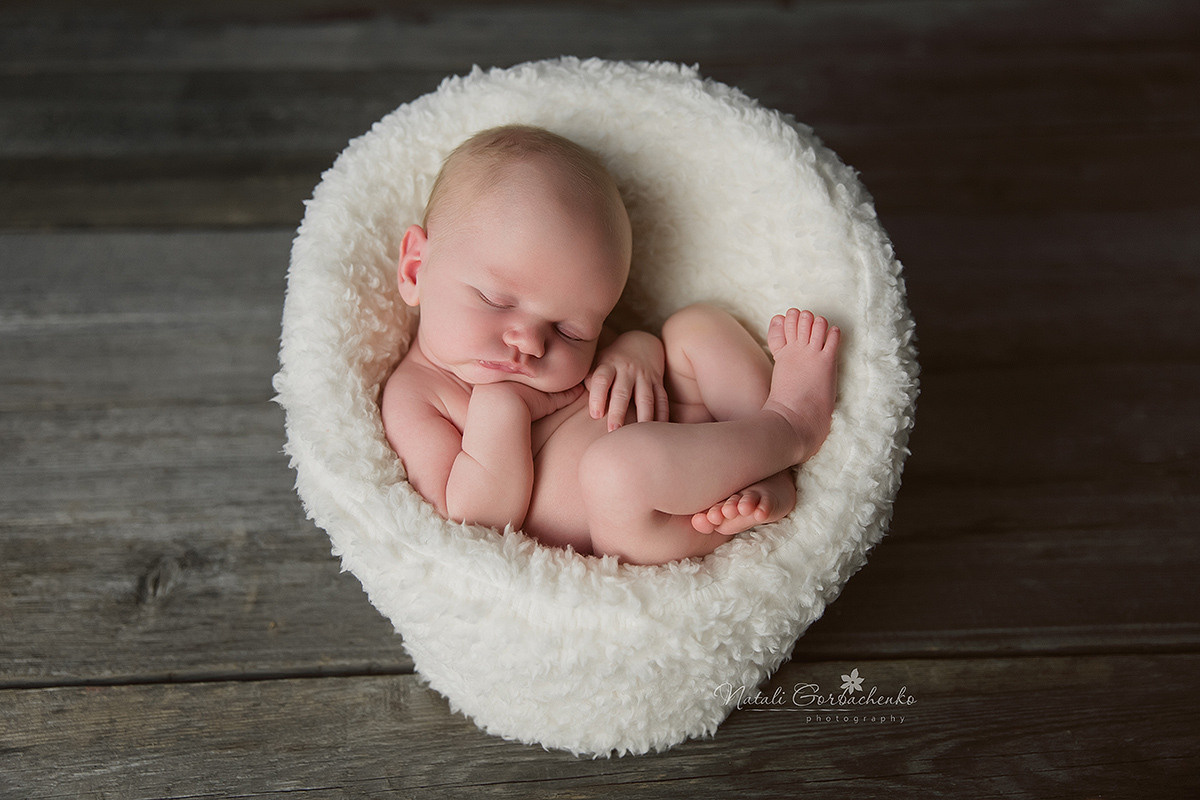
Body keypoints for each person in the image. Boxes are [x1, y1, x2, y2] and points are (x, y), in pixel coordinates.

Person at [380, 124, 839, 565]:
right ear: (415, 270)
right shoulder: (415, 395)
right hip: (638, 522)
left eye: (571, 330)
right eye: (495, 300)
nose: (533, 342)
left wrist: (634, 350)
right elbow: (471, 522)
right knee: (615, 470)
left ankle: (764, 466)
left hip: (692, 435)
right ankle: (792, 426)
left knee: (696, 325)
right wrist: (502, 410)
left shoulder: (565, 344)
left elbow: (633, 348)